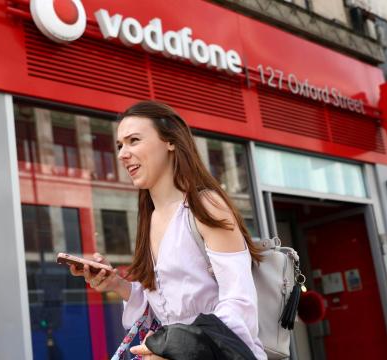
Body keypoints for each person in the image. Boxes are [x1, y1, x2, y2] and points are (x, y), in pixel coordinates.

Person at [69, 100, 267, 360]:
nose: (122, 154)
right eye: (120, 145)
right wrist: (116, 283)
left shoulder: (206, 206)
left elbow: (240, 304)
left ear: (170, 142)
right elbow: (166, 304)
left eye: (134, 140)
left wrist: (177, 348)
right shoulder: (150, 218)